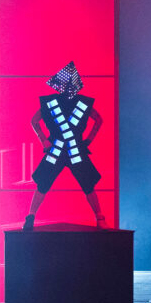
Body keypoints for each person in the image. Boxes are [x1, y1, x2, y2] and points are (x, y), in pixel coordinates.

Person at [23, 61, 106, 230]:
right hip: (66, 149)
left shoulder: (55, 103)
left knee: (86, 184)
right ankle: (30, 217)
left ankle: (100, 218)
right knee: (47, 184)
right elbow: (98, 120)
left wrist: (44, 140)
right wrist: (44, 139)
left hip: (63, 149)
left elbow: (98, 120)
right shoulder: (74, 102)